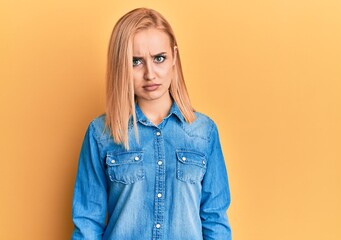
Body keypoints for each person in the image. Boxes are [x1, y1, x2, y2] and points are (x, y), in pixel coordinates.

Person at [71, 8, 231, 240]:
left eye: (159, 58)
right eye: (136, 61)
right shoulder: (101, 134)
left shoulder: (203, 132)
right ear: (120, 65)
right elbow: (87, 224)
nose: (150, 74)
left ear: (174, 57)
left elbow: (215, 219)